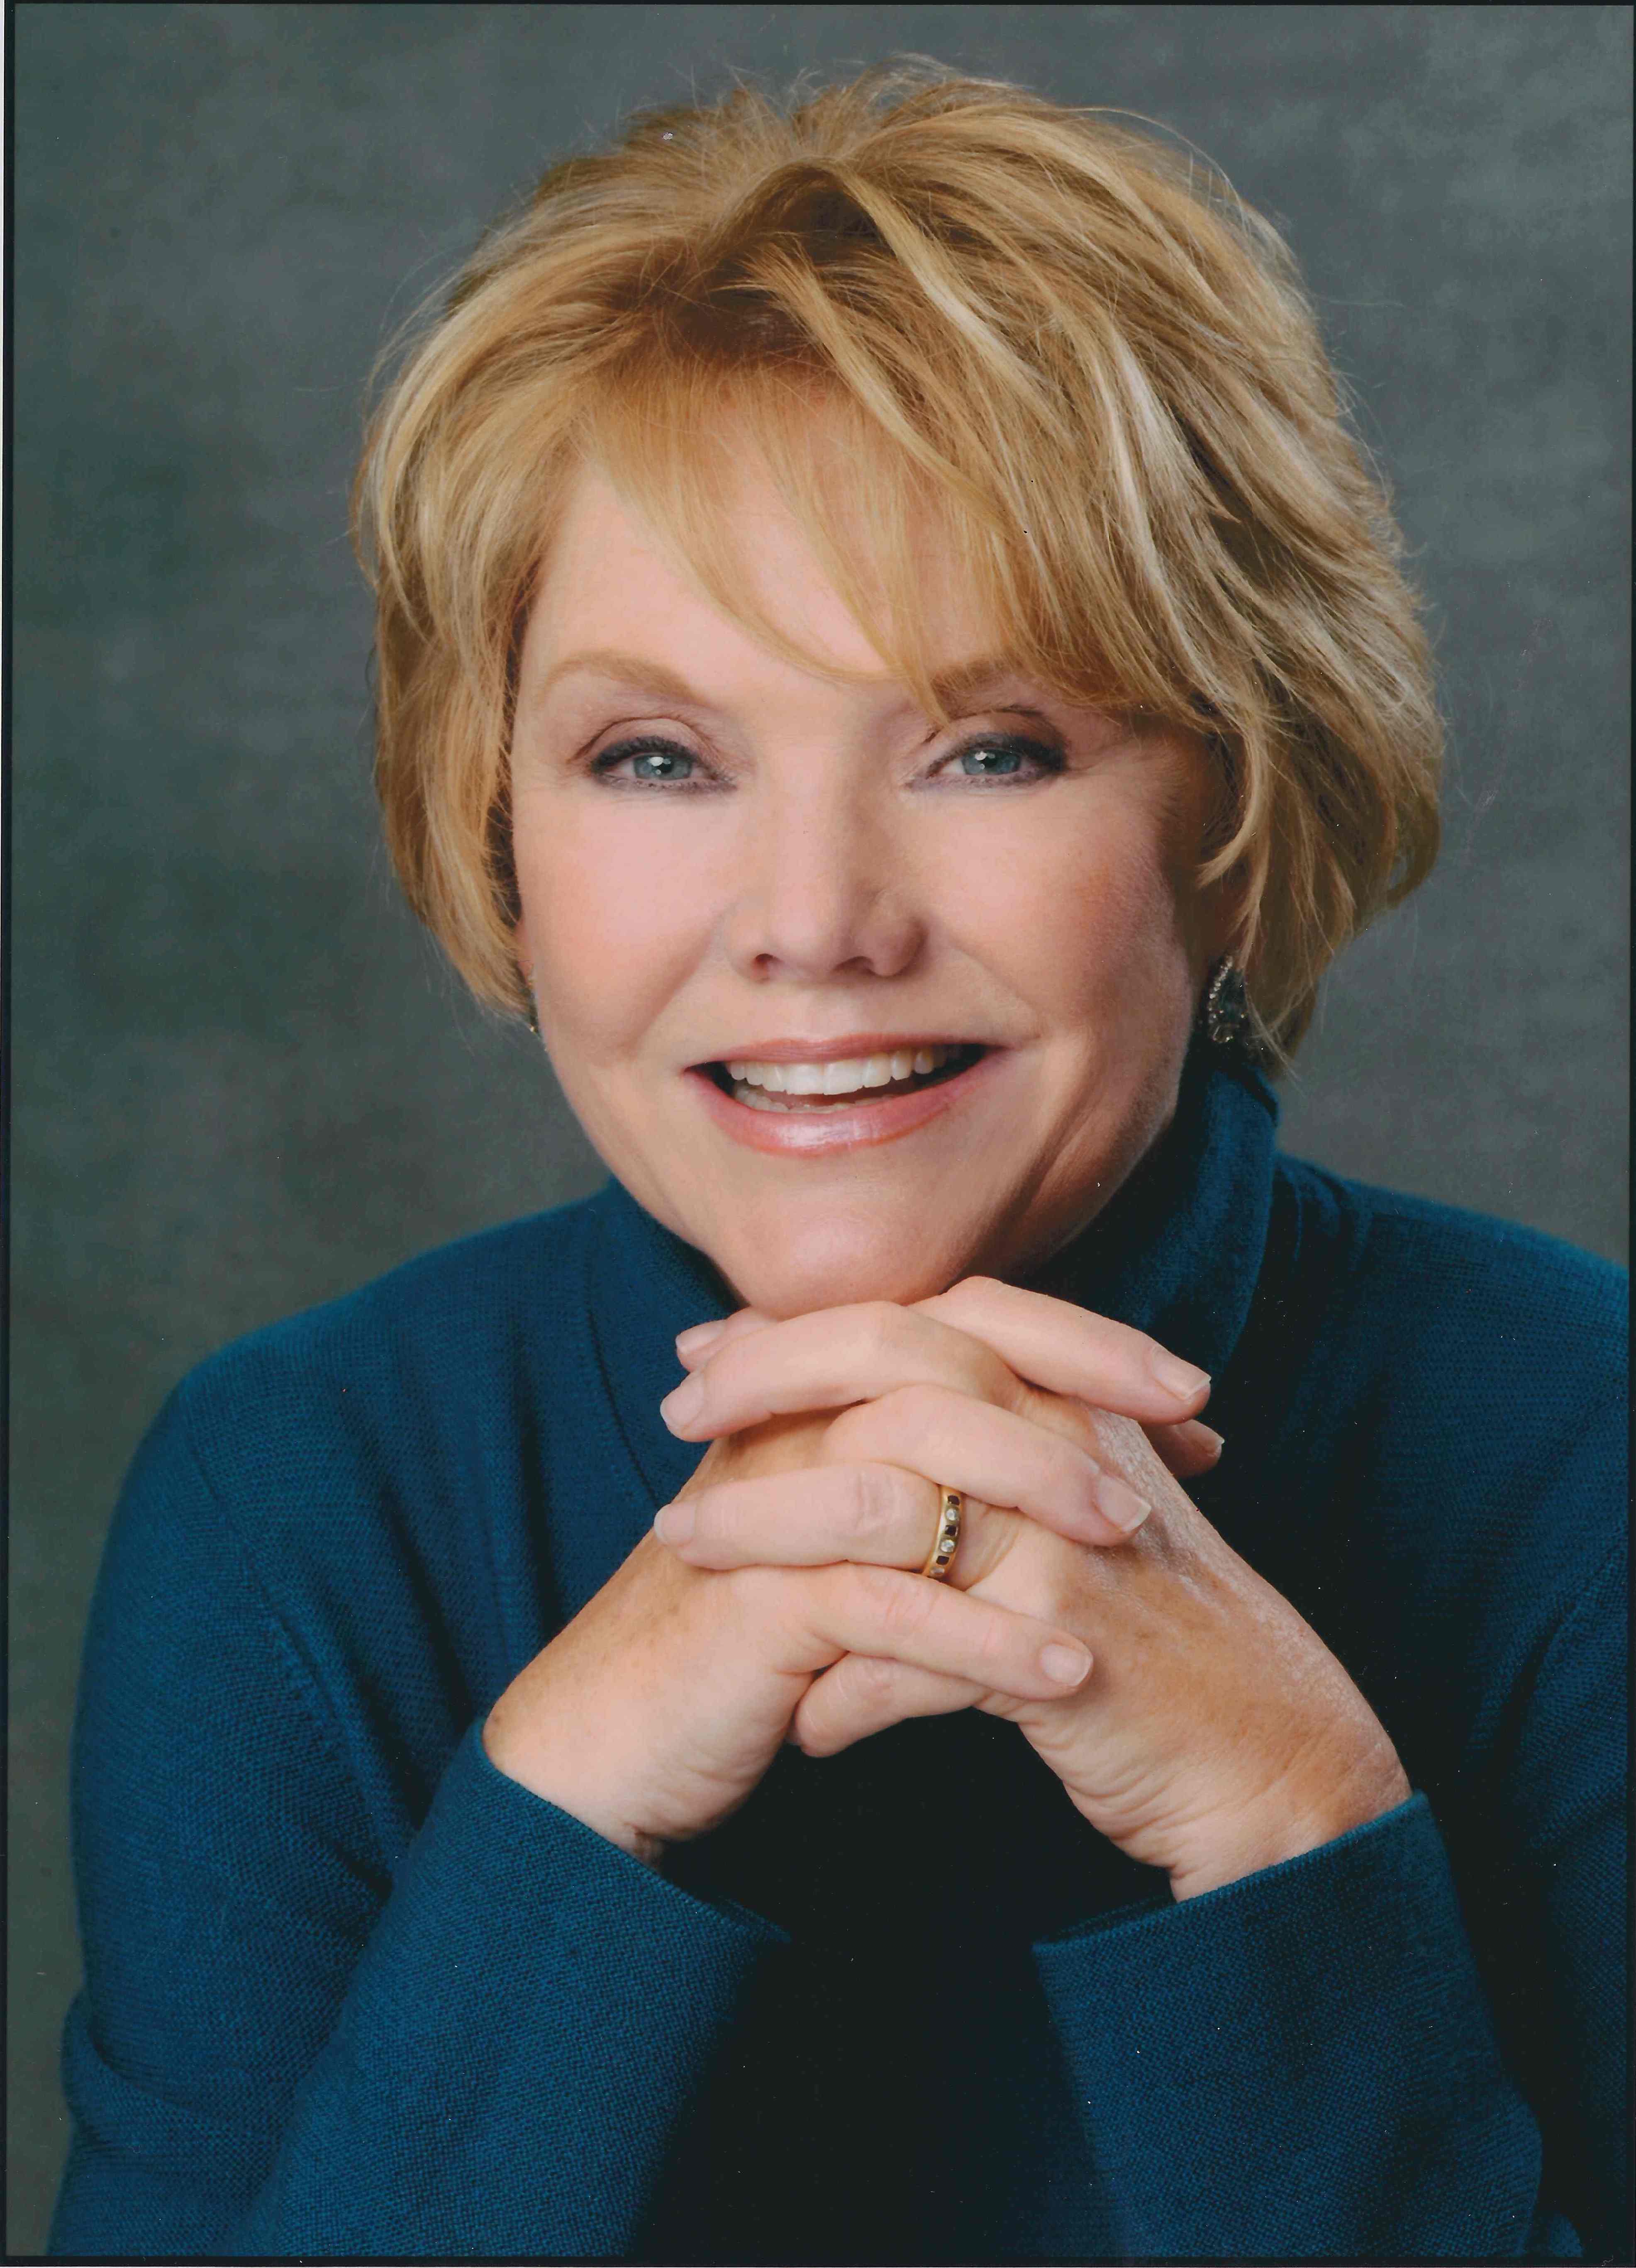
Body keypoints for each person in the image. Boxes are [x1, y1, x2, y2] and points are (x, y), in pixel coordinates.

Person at [50, 63, 1625, 2263]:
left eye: (989, 748)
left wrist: (1295, 1831)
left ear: (1241, 811)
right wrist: (552, 1829)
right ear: (495, 830)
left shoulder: (1584, 1457)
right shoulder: (296, 1503)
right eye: (654, 756)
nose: (814, 922)